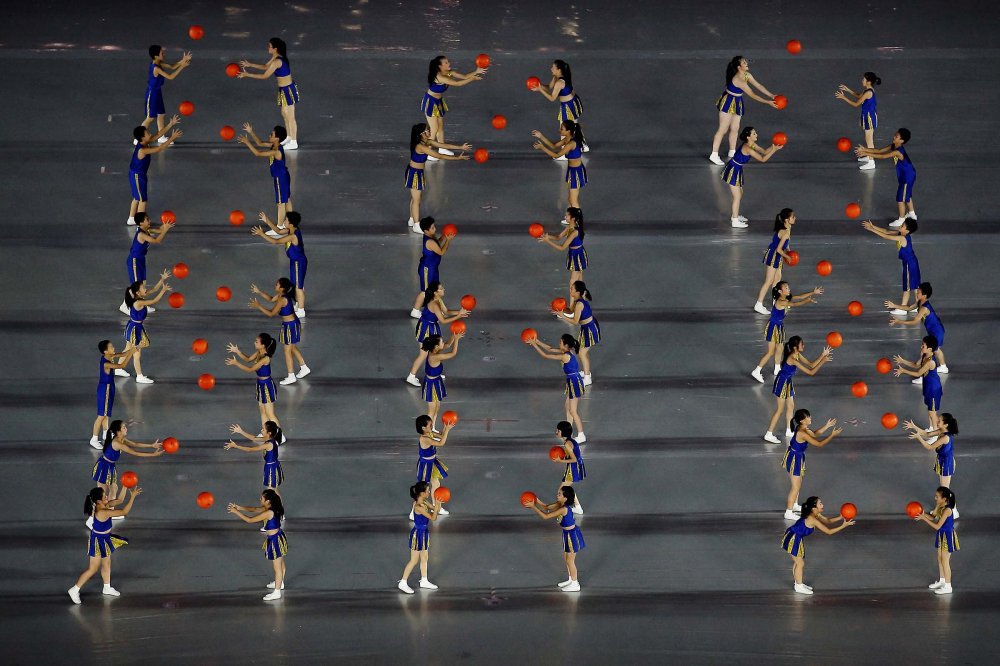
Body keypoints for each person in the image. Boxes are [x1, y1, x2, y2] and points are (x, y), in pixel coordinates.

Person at [68, 486, 142, 604]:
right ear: (98, 501)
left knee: (106, 563)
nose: (107, 497)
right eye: (104, 496)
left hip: (105, 538)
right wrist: (132, 497)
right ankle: (74, 589)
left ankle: (107, 587)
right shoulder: (103, 512)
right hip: (98, 541)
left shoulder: (103, 505)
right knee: (93, 569)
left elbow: (120, 500)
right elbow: (124, 512)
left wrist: (124, 486)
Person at [90, 421, 163, 526]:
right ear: (118, 432)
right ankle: (93, 518)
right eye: (123, 427)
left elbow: (135, 444)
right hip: (104, 467)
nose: (126, 429)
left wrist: (151, 445)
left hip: (110, 466)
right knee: (101, 494)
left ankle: (110, 512)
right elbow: (135, 452)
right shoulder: (117, 443)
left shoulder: (121, 439)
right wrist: (153, 455)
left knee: (114, 489)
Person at [764, 337, 834, 444]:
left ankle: (789, 430)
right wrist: (823, 361)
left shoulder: (797, 354)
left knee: (791, 406)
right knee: (780, 410)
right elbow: (811, 372)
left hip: (788, 382)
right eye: (802, 344)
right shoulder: (792, 358)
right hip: (782, 382)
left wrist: (822, 355)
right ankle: (769, 433)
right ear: (795, 346)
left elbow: (811, 364)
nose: (803, 346)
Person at [710, 56, 778, 165]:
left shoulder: (747, 75)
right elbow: (752, 94)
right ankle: (714, 154)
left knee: (735, 128)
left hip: (737, 101)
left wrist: (771, 95)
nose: (746, 63)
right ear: (739, 67)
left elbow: (758, 85)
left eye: (746, 62)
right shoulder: (738, 79)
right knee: (723, 129)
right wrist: (768, 102)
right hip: (728, 101)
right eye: (744, 62)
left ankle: (732, 152)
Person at [781, 496, 855, 595]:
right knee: (800, 563)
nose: (822, 505)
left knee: (798, 561)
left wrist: (841, 517)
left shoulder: (816, 515)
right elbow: (828, 532)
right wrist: (843, 525)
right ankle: (799, 586)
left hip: (795, 537)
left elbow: (828, 521)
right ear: (814, 508)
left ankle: (798, 583)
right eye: (820, 503)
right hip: (793, 538)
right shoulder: (812, 519)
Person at [751, 282, 823, 383]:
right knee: (771, 352)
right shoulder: (781, 301)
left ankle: (777, 368)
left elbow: (798, 297)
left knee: (780, 348)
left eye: (788, 287)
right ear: (781, 291)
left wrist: (813, 292)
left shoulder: (786, 297)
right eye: (786, 288)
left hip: (779, 326)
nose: (788, 289)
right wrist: (807, 301)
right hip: (773, 327)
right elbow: (795, 304)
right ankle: (757, 370)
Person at [404, 123, 471, 228]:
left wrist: (460, 147)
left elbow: (444, 146)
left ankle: (412, 220)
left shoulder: (427, 142)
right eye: (427, 130)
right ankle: (416, 225)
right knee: (416, 199)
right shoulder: (420, 146)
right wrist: (458, 158)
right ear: (421, 134)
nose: (430, 131)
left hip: (418, 172)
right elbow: (439, 155)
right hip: (414, 173)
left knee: (416, 198)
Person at [239, 38, 300, 149]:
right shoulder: (275, 58)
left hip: (287, 90)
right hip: (283, 89)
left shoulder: (277, 61)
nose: (268, 48)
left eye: (269, 46)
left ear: (275, 48)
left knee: (290, 116)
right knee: (284, 113)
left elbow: (265, 76)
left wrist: (247, 75)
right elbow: (265, 67)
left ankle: (294, 142)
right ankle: (289, 138)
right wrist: (250, 64)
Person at [228, 489, 288, 600]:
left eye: (262, 498)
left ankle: (277, 591)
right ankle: (280, 583)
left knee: (277, 567)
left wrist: (236, 512)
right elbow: (254, 509)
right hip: (278, 537)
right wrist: (240, 507)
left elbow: (250, 520)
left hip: (275, 540)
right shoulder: (271, 508)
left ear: (268, 501)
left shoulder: (269, 513)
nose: (260, 499)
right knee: (281, 563)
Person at [781, 410, 842, 520]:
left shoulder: (803, 428)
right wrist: (832, 435)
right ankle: (788, 512)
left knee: (798, 484)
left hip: (797, 457)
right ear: (802, 421)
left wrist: (827, 426)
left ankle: (794, 505)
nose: (810, 418)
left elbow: (814, 434)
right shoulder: (802, 433)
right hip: (795, 458)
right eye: (808, 417)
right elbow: (819, 444)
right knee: (795, 487)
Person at [527, 334, 587, 443]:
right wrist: (537, 342)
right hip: (572, 381)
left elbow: (546, 355)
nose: (559, 344)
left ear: (566, 345)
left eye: (561, 342)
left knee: (573, 411)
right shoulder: (567, 352)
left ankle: (581, 435)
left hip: (574, 382)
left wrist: (534, 345)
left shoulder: (565, 356)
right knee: (567, 406)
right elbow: (550, 349)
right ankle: (569, 431)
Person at [405, 281, 468, 386]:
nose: (444, 290)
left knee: (436, 349)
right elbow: (443, 320)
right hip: (425, 328)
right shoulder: (433, 304)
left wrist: (459, 312)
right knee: (423, 354)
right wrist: (459, 316)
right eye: (441, 288)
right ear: (436, 292)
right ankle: (411, 376)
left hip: (432, 326)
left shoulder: (438, 299)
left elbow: (447, 311)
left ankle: (433, 372)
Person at [523, 486, 584, 592]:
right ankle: (571, 580)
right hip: (567, 534)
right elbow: (546, 507)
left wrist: (533, 507)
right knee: (567, 559)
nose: (557, 495)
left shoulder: (563, 509)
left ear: (565, 498)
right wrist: (536, 500)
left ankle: (575, 584)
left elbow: (546, 516)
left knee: (570, 561)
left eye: (560, 494)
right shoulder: (560, 504)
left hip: (572, 535)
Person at [249, 278, 310, 385]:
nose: (275, 285)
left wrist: (259, 306)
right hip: (289, 325)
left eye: (277, 284)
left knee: (287, 351)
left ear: (281, 288)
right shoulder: (280, 296)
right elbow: (271, 299)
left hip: (291, 326)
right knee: (292, 347)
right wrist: (259, 292)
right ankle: (304, 367)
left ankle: (291, 376)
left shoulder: (282, 299)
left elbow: (271, 313)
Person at [722, 127, 783, 228]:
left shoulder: (752, 144)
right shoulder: (748, 148)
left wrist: (773, 147)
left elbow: (763, 152)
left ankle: (735, 216)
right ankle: (735, 221)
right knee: (737, 197)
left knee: (740, 194)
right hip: (733, 170)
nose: (756, 135)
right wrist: (774, 151)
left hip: (737, 168)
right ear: (748, 137)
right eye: (754, 134)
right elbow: (763, 159)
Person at [855, 128, 916, 227]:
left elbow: (883, 157)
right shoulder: (893, 146)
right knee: (907, 194)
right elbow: (879, 151)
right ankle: (912, 214)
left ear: (902, 141)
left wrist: (866, 153)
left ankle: (901, 219)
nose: (894, 137)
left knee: (901, 198)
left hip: (907, 176)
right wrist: (865, 149)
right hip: (907, 174)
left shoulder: (898, 152)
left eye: (896, 137)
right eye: (895, 135)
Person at [421, 55, 486, 148]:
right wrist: (472, 79)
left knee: (440, 128)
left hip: (438, 101)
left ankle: (442, 148)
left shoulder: (449, 72)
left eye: (448, 62)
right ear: (440, 66)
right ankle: (428, 151)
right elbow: (457, 83)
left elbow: (464, 76)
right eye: (446, 63)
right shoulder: (439, 76)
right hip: (430, 102)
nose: (449, 63)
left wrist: (476, 71)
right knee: (434, 129)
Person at [226, 333, 284, 435]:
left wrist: (236, 363)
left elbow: (250, 369)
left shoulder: (265, 358)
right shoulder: (258, 352)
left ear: (263, 345)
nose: (254, 342)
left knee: (270, 414)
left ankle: (280, 435)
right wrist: (237, 351)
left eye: (257, 342)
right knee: (262, 411)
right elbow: (248, 359)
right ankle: (265, 432)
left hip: (267, 385)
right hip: (260, 384)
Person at [252, 211, 307, 318]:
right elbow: (278, 231)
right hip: (294, 261)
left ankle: (301, 310)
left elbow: (275, 242)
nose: (284, 221)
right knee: (295, 285)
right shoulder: (291, 229)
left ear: (291, 224)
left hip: (298, 263)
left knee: (299, 287)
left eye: (286, 220)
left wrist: (261, 233)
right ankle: (298, 304)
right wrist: (266, 220)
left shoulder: (292, 236)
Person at [886, 282, 949, 376]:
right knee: (935, 350)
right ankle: (942, 367)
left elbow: (915, 321)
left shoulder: (924, 308)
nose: (917, 293)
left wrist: (899, 321)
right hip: (933, 330)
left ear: (924, 295)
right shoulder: (920, 302)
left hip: (937, 331)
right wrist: (894, 306)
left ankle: (925, 372)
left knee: (930, 350)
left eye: (918, 292)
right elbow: (909, 307)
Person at [238, 123, 294, 229]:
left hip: (280, 178)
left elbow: (258, 153)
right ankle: (291, 222)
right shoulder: (274, 145)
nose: (269, 136)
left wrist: (247, 142)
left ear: (277, 138)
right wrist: (251, 132)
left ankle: (279, 227)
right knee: (286, 199)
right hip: (284, 176)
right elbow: (259, 143)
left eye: (271, 135)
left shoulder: (276, 151)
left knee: (281, 203)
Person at [127, 119, 182, 225]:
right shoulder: (142, 150)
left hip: (137, 175)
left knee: (137, 198)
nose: (150, 133)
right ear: (142, 138)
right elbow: (159, 148)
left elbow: (158, 134)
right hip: (137, 176)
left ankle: (131, 218)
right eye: (147, 133)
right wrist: (172, 138)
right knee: (143, 200)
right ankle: (141, 224)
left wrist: (170, 124)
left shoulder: (145, 142)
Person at [905, 413, 959, 519]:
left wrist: (918, 437)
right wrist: (914, 427)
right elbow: (927, 434)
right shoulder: (941, 431)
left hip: (946, 463)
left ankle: (953, 510)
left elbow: (929, 447)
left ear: (946, 425)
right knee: (944, 488)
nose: (937, 422)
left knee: (945, 489)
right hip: (942, 460)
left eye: (939, 421)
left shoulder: (945, 438)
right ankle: (948, 509)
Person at [119, 212, 174, 314]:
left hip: (141, 259)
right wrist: (165, 231)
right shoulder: (141, 234)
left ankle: (141, 302)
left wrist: (166, 224)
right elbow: (156, 241)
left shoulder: (146, 229)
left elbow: (160, 230)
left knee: (142, 284)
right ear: (141, 223)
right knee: (136, 285)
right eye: (147, 219)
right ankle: (126, 305)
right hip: (134, 260)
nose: (149, 221)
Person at [122, 275, 172, 384]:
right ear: (138, 293)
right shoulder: (138, 302)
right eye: (143, 288)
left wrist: (162, 279)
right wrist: (163, 291)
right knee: (137, 353)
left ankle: (118, 368)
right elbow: (154, 301)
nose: (145, 289)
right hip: (134, 328)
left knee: (128, 347)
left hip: (135, 326)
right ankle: (139, 376)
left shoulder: (139, 297)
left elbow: (154, 289)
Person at [863, 218, 920, 313]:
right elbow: (887, 231)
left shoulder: (903, 238)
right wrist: (873, 226)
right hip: (911, 262)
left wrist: (871, 229)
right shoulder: (901, 233)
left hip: (909, 264)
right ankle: (917, 305)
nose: (900, 226)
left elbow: (886, 236)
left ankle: (903, 308)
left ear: (907, 231)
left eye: (902, 226)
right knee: (914, 285)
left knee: (907, 287)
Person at [533, 59, 588, 153]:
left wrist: (540, 90)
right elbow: (550, 88)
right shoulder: (556, 77)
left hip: (569, 106)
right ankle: (583, 146)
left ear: (558, 69)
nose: (551, 69)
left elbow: (552, 98)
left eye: (553, 67)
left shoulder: (560, 82)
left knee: (565, 128)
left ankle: (565, 152)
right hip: (569, 103)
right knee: (573, 126)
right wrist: (539, 86)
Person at [89, 341, 137, 449]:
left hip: (109, 387)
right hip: (105, 389)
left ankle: (106, 434)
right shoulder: (106, 363)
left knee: (106, 414)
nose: (113, 347)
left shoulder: (110, 356)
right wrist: (131, 353)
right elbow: (122, 365)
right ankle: (94, 439)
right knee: (101, 415)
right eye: (111, 347)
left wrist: (135, 348)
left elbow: (123, 354)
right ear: (105, 351)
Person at [398, 481, 442, 594]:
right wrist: (437, 506)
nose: (429, 492)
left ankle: (424, 580)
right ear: (422, 493)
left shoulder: (424, 502)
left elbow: (433, 508)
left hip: (423, 533)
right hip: (417, 534)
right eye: (427, 491)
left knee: (424, 557)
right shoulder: (418, 507)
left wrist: (438, 503)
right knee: (414, 560)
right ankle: (403, 582)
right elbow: (433, 517)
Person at [531, 121, 586, 209]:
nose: (559, 130)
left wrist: (542, 148)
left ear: (568, 131)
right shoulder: (567, 139)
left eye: (562, 129)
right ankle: (572, 217)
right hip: (572, 171)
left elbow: (556, 155)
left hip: (576, 172)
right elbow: (554, 146)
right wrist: (541, 136)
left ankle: (576, 220)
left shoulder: (571, 144)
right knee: (571, 199)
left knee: (573, 200)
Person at [914, 486, 959, 595]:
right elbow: (932, 516)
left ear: (945, 499)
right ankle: (942, 581)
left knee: (945, 561)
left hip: (948, 536)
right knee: (939, 559)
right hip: (941, 535)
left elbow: (937, 526)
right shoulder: (940, 505)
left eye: (937, 496)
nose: (935, 498)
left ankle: (948, 586)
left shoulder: (948, 510)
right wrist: (922, 514)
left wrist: (924, 519)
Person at [894, 336, 943, 432]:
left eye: (923, 346)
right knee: (930, 411)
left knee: (932, 413)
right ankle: (932, 428)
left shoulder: (931, 362)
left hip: (933, 389)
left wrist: (903, 370)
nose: (921, 347)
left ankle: (935, 434)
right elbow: (916, 365)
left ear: (930, 349)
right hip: (928, 387)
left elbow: (918, 373)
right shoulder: (925, 355)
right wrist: (903, 361)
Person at [555, 281, 600, 386]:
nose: (570, 290)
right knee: (583, 352)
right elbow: (570, 311)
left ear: (578, 292)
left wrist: (562, 316)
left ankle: (587, 378)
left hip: (590, 329)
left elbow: (575, 321)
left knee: (581, 353)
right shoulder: (576, 301)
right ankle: (586, 372)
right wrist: (561, 309)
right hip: (586, 328)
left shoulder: (579, 304)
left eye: (572, 289)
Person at [141, 45, 192, 137]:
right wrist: (182, 67)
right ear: (156, 56)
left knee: (161, 114)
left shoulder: (158, 63)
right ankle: (139, 137)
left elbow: (172, 66)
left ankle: (161, 137)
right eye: (161, 53)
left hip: (157, 92)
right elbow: (171, 76)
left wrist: (183, 60)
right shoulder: (156, 68)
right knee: (150, 118)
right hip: (152, 94)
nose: (163, 54)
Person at [834, 72, 881, 170]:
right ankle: (869, 156)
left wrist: (843, 98)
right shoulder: (867, 90)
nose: (862, 80)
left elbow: (856, 104)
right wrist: (848, 90)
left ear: (868, 82)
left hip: (869, 117)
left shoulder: (868, 92)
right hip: (867, 116)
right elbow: (859, 96)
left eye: (864, 79)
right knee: (867, 138)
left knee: (869, 140)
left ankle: (871, 162)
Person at [753, 209, 795, 314]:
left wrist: (789, 251)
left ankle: (776, 302)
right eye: (793, 217)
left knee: (777, 279)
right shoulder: (785, 231)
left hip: (778, 256)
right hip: (774, 255)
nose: (795, 218)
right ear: (787, 219)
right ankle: (758, 304)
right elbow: (778, 249)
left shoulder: (787, 228)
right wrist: (787, 257)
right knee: (769, 281)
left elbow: (785, 242)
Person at [538, 207, 586, 297]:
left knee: (573, 281)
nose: (565, 217)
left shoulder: (574, 232)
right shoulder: (569, 227)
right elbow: (558, 237)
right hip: (574, 253)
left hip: (577, 255)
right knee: (579, 278)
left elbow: (562, 247)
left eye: (567, 215)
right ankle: (581, 298)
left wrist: (547, 241)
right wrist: (548, 237)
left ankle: (573, 304)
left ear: (573, 218)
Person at [419, 333, 463, 429]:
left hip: (436, 381)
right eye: (441, 342)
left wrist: (453, 335)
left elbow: (447, 345)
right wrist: (456, 340)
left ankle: (432, 427)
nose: (443, 343)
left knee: (437, 407)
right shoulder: (435, 357)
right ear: (436, 346)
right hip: (431, 384)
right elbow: (452, 354)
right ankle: (428, 430)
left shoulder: (434, 350)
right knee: (431, 410)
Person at [410, 217, 452, 317]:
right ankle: (415, 311)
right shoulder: (429, 242)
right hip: (427, 270)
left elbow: (438, 242)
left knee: (434, 289)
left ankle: (434, 309)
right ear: (426, 230)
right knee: (425, 291)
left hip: (433, 268)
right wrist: (448, 241)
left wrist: (444, 236)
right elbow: (441, 251)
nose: (435, 229)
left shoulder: (431, 237)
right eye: (432, 228)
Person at [413, 415, 453, 518]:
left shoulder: (430, 433)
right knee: (423, 489)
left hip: (433, 462)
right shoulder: (424, 438)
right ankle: (414, 510)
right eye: (430, 425)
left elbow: (441, 435)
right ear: (423, 428)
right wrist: (447, 430)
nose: (432, 426)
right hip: (425, 465)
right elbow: (441, 443)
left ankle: (437, 507)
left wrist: (445, 426)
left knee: (436, 484)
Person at [226, 421, 284, 490]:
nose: (261, 430)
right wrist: (241, 431)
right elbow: (254, 438)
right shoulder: (269, 439)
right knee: (273, 490)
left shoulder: (268, 444)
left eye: (263, 429)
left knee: (271, 490)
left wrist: (236, 446)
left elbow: (250, 449)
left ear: (269, 433)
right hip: (272, 466)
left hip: (272, 469)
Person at [552, 421, 586, 515]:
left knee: (561, 490)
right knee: (566, 488)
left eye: (558, 430)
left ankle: (561, 509)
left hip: (574, 468)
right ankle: (578, 507)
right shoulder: (570, 441)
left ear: (563, 432)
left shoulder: (567, 444)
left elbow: (574, 459)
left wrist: (560, 461)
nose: (556, 432)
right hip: (573, 467)